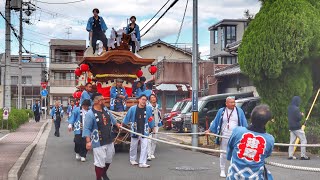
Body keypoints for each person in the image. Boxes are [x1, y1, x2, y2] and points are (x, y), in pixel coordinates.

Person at [226, 105, 275, 179]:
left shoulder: (237, 131)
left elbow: (230, 147)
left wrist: (229, 156)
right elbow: (267, 154)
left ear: (251, 117)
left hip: (234, 176)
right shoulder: (269, 139)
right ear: (267, 122)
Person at [205, 96, 248, 178]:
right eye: (231, 102)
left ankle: (233, 170)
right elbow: (216, 121)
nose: (233, 104)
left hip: (236, 136)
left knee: (236, 153)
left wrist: (247, 132)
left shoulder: (239, 111)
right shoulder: (221, 111)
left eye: (234, 102)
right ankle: (222, 169)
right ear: (226, 103)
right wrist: (209, 130)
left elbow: (244, 123)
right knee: (223, 153)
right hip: (224, 135)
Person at [83, 93, 121, 180]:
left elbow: (112, 118)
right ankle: (98, 178)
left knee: (109, 158)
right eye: (102, 99)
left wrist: (117, 124)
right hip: (98, 141)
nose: (104, 101)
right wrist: (88, 141)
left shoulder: (105, 109)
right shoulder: (90, 113)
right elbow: (87, 128)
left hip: (109, 138)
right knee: (100, 162)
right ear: (97, 101)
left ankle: (103, 173)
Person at [122, 95, 155, 168]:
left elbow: (150, 118)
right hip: (135, 129)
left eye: (145, 100)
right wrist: (123, 125)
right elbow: (127, 117)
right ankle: (132, 159)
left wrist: (152, 126)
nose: (144, 101)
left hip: (144, 130)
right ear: (139, 100)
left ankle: (142, 162)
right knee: (133, 146)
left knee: (145, 146)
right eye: (143, 99)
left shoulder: (148, 109)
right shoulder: (133, 109)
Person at [288, 96, 310, 160]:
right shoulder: (296, 108)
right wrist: (301, 114)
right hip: (297, 127)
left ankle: (290, 155)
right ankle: (303, 156)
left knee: (292, 142)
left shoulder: (289, 108)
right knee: (303, 140)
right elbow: (298, 118)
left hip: (291, 127)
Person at [147, 94, 162, 161]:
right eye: (151, 98)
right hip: (149, 126)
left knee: (154, 140)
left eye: (154, 97)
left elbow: (159, 115)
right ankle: (148, 154)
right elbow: (148, 117)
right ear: (149, 99)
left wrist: (160, 123)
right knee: (149, 140)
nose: (153, 99)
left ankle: (152, 153)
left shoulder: (158, 106)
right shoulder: (148, 107)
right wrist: (150, 125)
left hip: (156, 125)